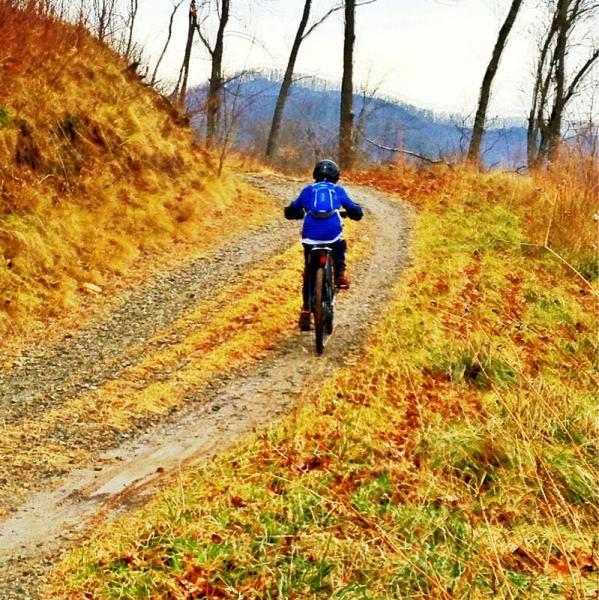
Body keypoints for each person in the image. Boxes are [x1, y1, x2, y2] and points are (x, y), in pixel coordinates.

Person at [284, 159, 363, 331]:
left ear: (315, 175)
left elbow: (292, 209)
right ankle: (340, 273)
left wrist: (291, 212)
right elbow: (353, 208)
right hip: (332, 232)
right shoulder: (337, 190)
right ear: (336, 176)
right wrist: (357, 212)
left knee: (309, 270)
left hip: (310, 235)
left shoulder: (308, 190)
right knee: (340, 244)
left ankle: (306, 309)